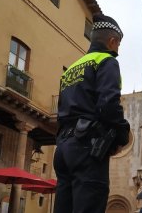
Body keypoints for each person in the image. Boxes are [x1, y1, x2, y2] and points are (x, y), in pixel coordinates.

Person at [53, 14, 130, 213]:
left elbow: (61, 109)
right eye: (118, 44)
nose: (118, 49)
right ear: (112, 41)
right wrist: (122, 133)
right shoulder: (107, 61)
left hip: (62, 148)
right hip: (87, 146)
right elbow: (108, 105)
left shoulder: (71, 69)